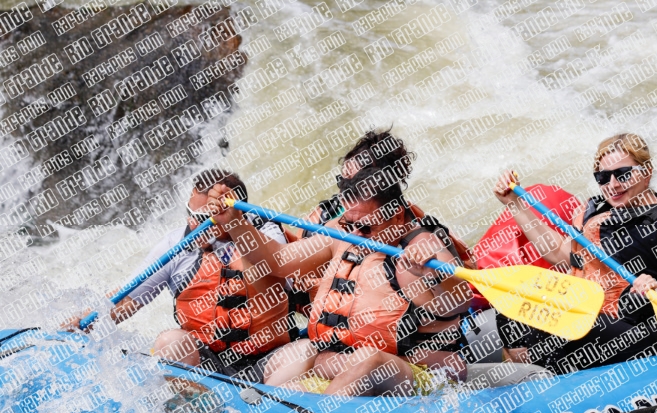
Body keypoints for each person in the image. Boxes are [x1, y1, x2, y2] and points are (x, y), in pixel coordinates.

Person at [236, 129, 474, 397]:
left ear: (395, 216)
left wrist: (435, 272)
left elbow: (461, 297)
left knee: (369, 359)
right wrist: (233, 221)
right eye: (350, 224)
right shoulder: (346, 232)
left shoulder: (422, 246)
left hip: (423, 380)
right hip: (346, 380)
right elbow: (277, 261)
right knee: (289, 377)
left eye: (364, 227)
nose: (355, 234)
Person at [492, 133, 657, 374]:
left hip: (640, 326)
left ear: (647, 172)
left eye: (623, 174)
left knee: (571, 330)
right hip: (596, 311)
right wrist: (514, 204)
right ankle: (530, 385)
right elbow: (560, 253)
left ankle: (555, 379)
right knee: (509, 306)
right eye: (603, 177)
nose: (612, 185)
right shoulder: (599, 211)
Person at [67, 170, 293, 381]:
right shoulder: (176, 245)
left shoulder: (267, 233)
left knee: (303, 350)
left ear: (234, 212)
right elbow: (127, 299)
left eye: (204, 217)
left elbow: (276, 271)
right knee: (170, 341)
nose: (192, 223)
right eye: (189, 213)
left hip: (267, 357)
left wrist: (236, 227)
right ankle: (191, 403)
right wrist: (87, 322)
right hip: (206, 359)